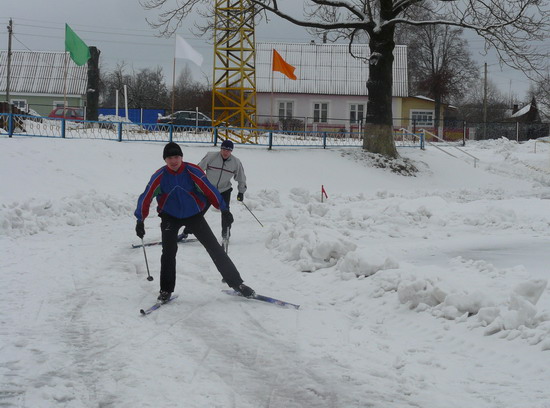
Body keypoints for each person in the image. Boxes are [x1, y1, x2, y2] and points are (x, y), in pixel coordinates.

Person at [134, 141, 255, 302]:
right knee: (168, 253)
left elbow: (209, 190)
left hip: (194, 215)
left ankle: (237, 284)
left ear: (181, 157)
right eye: (169, 157)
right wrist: (140, 220)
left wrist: (224, 209)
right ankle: (166, 290)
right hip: (170, 216)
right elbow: (146, 196)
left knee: (214, 248)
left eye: (176, 156)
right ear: (165, 160)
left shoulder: (192, 171)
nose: (173, 161)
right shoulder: (160, 176)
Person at [195, 139, 247, 239]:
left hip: (224, 190)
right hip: (208, 190)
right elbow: (198, 170)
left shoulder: (236, 162)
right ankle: (186, 232)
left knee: (225, 213)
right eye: (223, 149)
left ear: (231, 151)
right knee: (199, 212)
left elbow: (241, 178)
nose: (225, 152)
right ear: (220, 149)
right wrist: (194, 184)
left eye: (228, 150)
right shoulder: (211, 156)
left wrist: (241, 192)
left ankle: (225, 232)